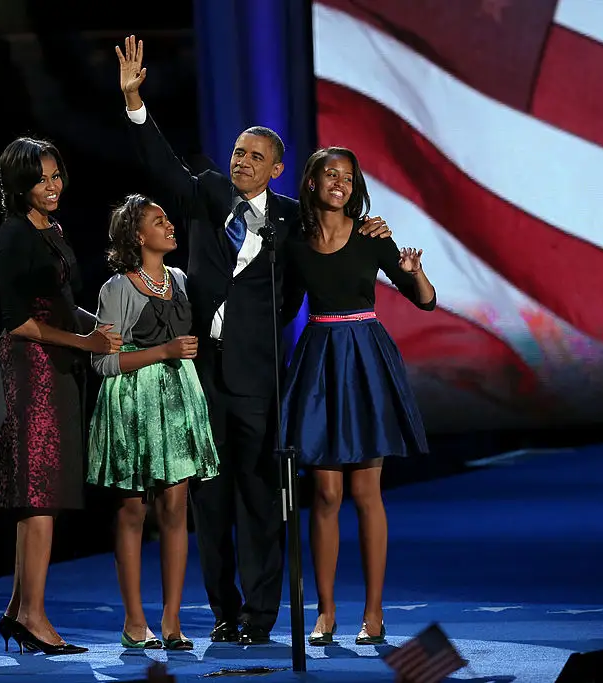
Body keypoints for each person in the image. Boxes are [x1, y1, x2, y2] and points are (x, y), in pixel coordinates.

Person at [114, 35, 392, 644]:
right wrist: (136, 103)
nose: (241, 161)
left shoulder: (297, 217)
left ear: (277, 168)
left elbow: (336, 245)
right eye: (238, 152)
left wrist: (370, 223)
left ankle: (262, 617)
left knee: (262, 497)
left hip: (263, 373)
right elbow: (162, 166)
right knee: (208, 499)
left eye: (253, 156)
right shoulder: (208, 192)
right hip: (201, 369)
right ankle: (223, 609)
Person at [280, 147, 436, 646]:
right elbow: (282, 307)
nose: (339, 182)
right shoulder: (295, 242)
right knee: (326, 493)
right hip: (320, 361)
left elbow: (426, 300)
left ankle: (374, 613)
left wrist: (412, 268)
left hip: (365, 359)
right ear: (311, 182)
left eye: (348, 176)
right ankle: (325, 612)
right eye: (330, 174)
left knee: (367, 493)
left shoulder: (372, 236)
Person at [0, 136, 122, 655]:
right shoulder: (12, 236)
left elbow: (63, 305)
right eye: (42, 179)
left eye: (56, 176)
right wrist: (86, 342)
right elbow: (18, 322)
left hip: (62, 368)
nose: (53, 186)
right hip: (31, 373)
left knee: (45, 494)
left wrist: (106, 331)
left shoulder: (54, 230)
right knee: (37, 494)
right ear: (19, 185)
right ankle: (33, 616)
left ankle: (18, 609)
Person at [88, 193, 220, 651]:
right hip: (132, 402)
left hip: (179, 400)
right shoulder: (117, 288)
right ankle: (134, 620)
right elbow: (103, 364)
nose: (169, 225)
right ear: (137, 236)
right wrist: (162, 352)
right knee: (131, 512)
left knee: (176, 511)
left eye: (167, 219)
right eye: (157, 220)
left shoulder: (180, 280)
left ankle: (171, 620)